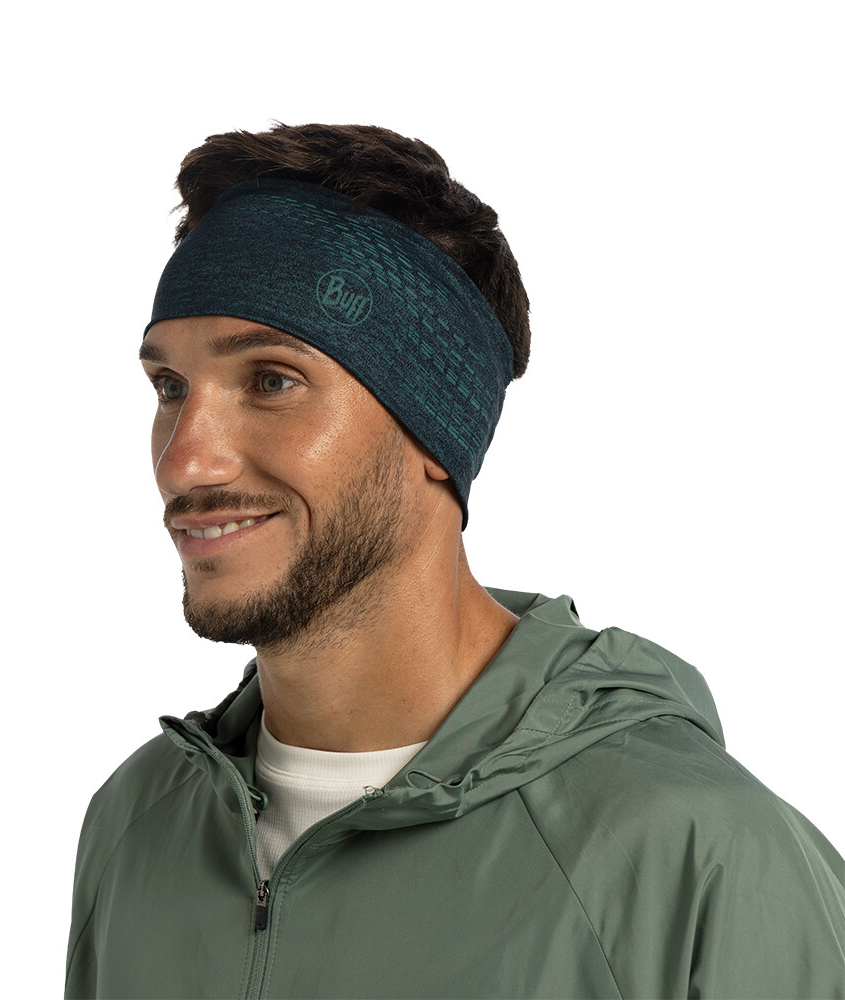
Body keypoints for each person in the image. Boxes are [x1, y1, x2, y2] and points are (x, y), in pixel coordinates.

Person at [65, 123, 844, 1000]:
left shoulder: (692, 855)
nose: (185, 461)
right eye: (170, 388)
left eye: (271, 381)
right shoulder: (136, 825)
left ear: (434, 431)